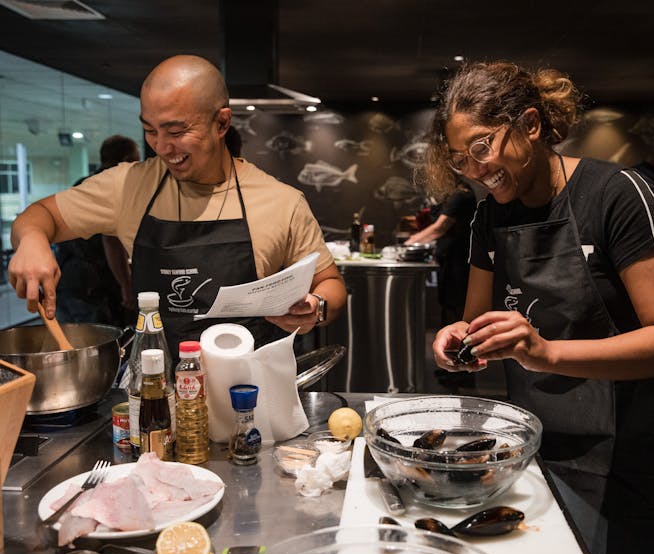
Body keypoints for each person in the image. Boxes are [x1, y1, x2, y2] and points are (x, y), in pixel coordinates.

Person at [422, 61, 654, 554]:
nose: (476, 170)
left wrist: (545, 352)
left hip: (621, 453)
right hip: (527, 443)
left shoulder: (618, 194)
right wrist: (458, 335)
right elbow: (474, 317)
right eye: (461, 159)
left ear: (530, 125)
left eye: (482, 147)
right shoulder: (490, 215)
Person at [9, 55, 346, 359]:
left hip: (252, 397)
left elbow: (330, 284)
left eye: (176, 130)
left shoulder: (280, 201)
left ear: (221, 124)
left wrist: (315, 307)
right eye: (150, 131)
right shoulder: (128, 186)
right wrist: (33, 241)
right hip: (158, 396)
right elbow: (40, 216)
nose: (162, 147)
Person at [55, 135, 140, 326]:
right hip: (91, 288)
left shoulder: (83, 183)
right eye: (137, 159)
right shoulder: (111, 187)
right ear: (127, 159)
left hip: (66, 281)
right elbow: (111, 242)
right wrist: (126, 286)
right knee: (99, 349)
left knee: (71, 348)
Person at [405, 179, 477, 325]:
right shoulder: (451, 197)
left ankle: (460, 341)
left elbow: (439, 228)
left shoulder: (462, 196)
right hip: (448, 257)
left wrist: (408, 243)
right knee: (447, 303)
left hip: (460, 259)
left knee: (457, 304)